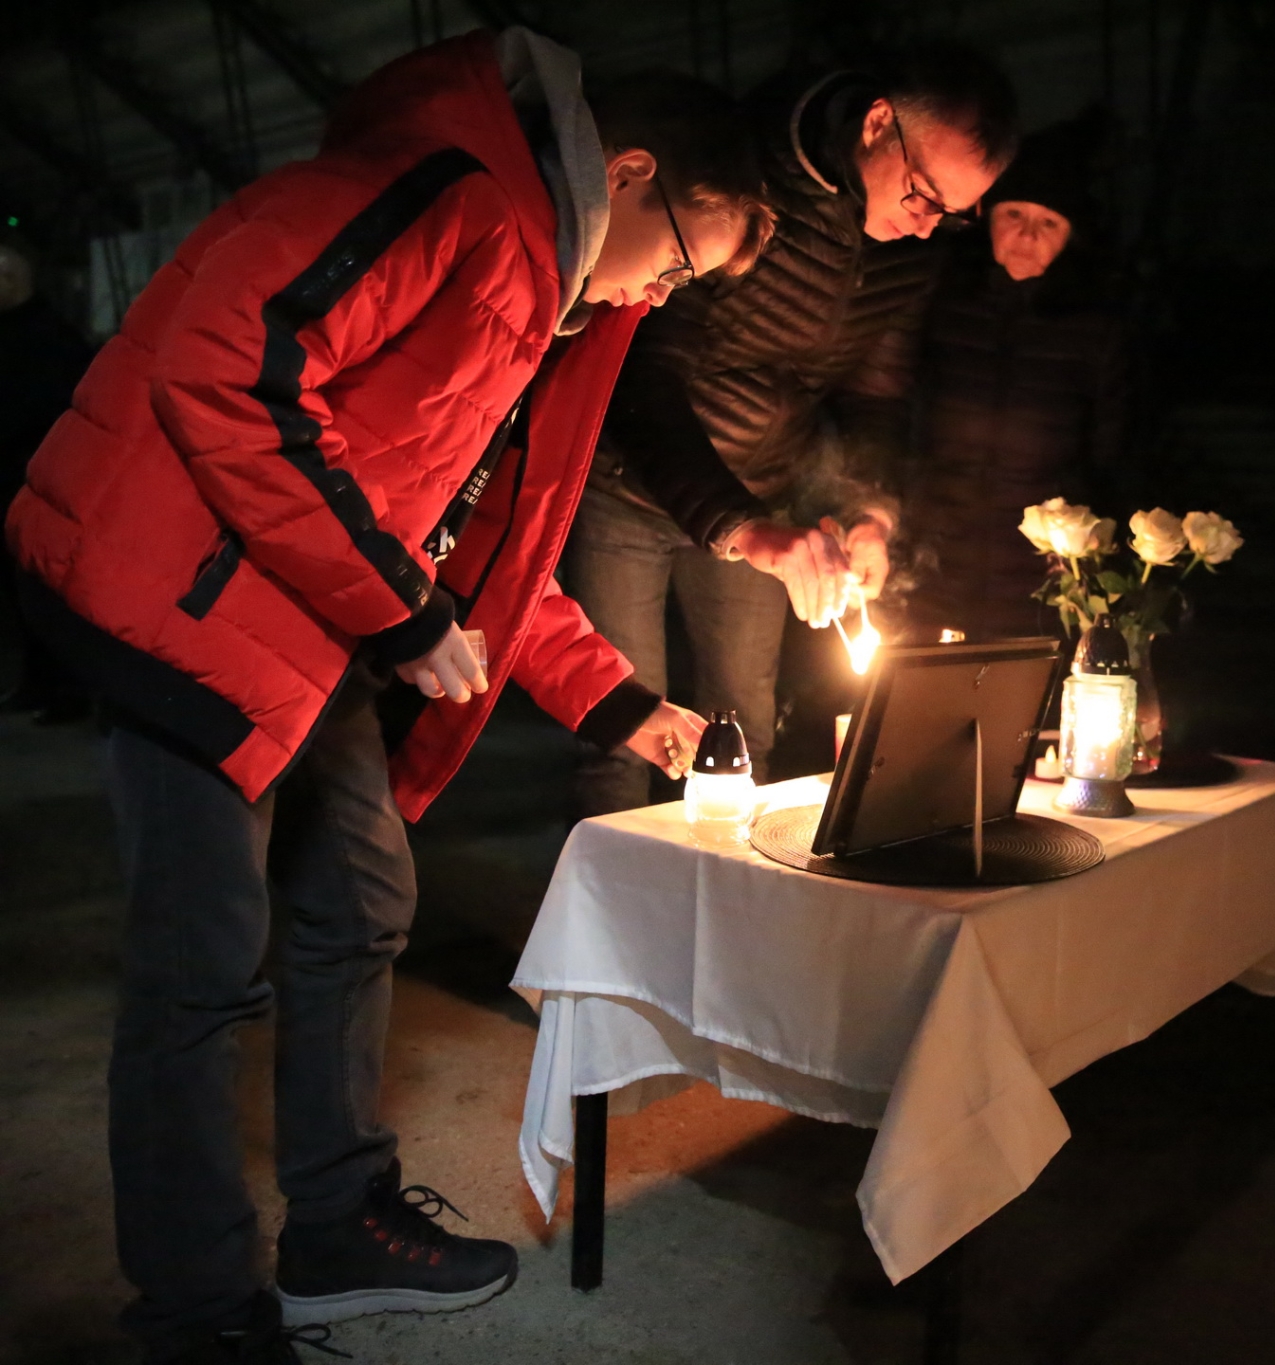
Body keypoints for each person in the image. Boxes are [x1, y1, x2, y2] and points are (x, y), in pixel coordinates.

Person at [6, 30, 771, 1363]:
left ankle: (336, 1223)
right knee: (201, 968)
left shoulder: (534, 294)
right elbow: (226, 365)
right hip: (177, 601)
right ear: (629, 174)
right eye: (678, 261)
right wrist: (401, 613)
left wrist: (617, 704)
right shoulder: (442, 194)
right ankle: (195, 1312)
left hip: (301, 614)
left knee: (359, 900)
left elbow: (469, 544)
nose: (662, 294)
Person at [562, 41, 1019, 813]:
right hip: (631, 489)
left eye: (952, 214)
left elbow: (877, 392)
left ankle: (732, 888)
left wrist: (871, 512)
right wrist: (743, 527)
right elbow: (646, 374)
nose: (925, 227)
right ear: (878, 123)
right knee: (621, 735)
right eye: (922, 195)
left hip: (764, 491)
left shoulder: (912, 251)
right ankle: (615, 891)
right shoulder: (747, 175)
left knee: (744, 733)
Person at [906, 109, 1126, 640]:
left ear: (1072, 237)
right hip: (936, 562)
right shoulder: (942, 304)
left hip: (1036, 577)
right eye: (1014, 215)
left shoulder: (1094, 332)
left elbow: (1112, 453)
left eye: (1048, 223)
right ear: (988, 218)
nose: (1027, 235)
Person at [0, 228, 95, 719]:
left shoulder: (50, 338)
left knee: (47, 589)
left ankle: (65, 690)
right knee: (22, 591)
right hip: (15, 478)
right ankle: (38, 683)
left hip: (38, 480)